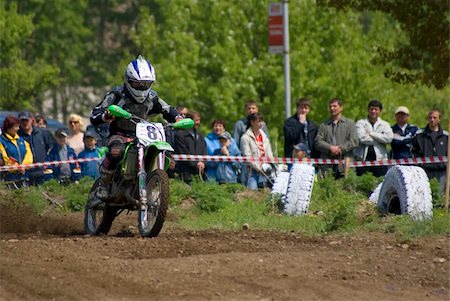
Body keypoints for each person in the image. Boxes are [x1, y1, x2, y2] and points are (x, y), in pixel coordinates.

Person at [90, 55, 182, 199]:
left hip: (143, 136)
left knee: (168, 158)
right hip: (120, 134)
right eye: (137, 84)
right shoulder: (117, 95)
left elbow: (168, 109)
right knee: (116, 151)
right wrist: (106, 115)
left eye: (145, 84)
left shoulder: (152, 97)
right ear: (128, 80)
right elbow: (95, 113)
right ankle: (104, 184)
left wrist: (178, 118)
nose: (141, 87)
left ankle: (155, 184)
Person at [315, 98, 358, 178]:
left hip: (345, 163)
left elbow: (354, 141)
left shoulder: (350, 124)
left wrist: (340, 149)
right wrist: (330, 148)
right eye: (330, 106)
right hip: (327, 165)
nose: (332, 108)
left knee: (346, 188)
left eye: (335, 106)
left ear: (341, 108)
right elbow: (318, 141)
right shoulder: (324, 125)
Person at [354, 100, 394, 177]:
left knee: (380, 185)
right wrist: (380, 138)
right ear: (368, 110)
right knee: (363, 184)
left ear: (380, 111)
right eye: (371, 109)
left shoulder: (384, 124)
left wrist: (372, 134)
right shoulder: (360, 123)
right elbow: (362, 138)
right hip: (363, 159)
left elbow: (389, 138)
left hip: (380, 160)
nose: (373, 111)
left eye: (376, 109)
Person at [412, 109, 448, 192]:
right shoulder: (419, 134)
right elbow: (413, 151)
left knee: (439, 195)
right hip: (425, 171)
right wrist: (420, 163)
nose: (432, 120)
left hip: (441, 171)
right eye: (430, 117)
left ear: (439, 119)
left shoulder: (446, 136)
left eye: (435, 118)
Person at [17, 111, 55, 185]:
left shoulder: (42, 133)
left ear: (32, 120)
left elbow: (51, 148)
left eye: (26, 120)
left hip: (43, 172)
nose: (25, 123)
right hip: (26, 173)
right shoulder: (17, 136)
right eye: (22, 121)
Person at [240, 112, 274, 190]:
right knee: (252, 192)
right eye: (258, 121)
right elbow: (247, 156)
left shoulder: (264, 137)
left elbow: (269, 154)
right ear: (252, 122)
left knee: (268, 192)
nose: (261, 123)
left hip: (266, 170)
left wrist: (271, 165)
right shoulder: (245, 138)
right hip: (252, 171)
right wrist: (259, 168)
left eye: (262, 120)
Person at [173, 111, 207, 184]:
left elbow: (204, 150)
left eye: (199, 120)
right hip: (185, 173)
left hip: (199, 172)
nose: (198, 123)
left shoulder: (199, 135)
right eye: (196, 120)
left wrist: (202, 162)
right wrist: (195, 163)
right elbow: (182, 152)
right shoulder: (180, 135)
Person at [204, 119, 241, 183]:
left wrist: (228, 156)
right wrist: (219, 156)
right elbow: (209, 163)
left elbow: (238, 164)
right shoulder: (208, 142)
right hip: (214, 178)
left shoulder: (235, 150)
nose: (218, 128)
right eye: (215, 126)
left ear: (229, 141)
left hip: (231, 179)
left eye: (220, 126)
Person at [0, 115, 33, 183]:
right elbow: (5, 158)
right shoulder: (2, 141)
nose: (18, 129)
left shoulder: (22, 141)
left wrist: (24, 166)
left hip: (24, 176)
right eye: (16, 126)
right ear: (8, 127)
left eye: (18, 126)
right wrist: (17, 168)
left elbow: (29, 156)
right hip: (8, 178)